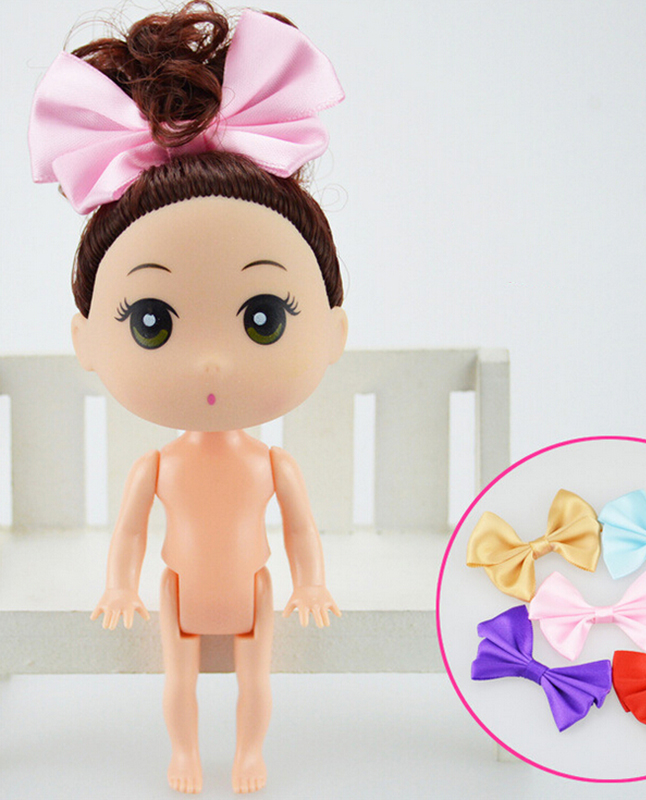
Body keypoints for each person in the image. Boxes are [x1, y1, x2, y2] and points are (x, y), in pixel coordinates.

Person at [29, 3, 347, 793]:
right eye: (152, 321)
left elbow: (299, 531)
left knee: (255, 681)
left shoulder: (272, 464)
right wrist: (118, 585)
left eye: (264, 318)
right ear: (87, 341)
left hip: (256, 591)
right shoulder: (157, 466)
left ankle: (249, 753)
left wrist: (310, 581)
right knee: (177, 683)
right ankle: (183, 753)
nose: (209, 361)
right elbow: (131, 535)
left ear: (334, 332)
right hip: (173, 592)